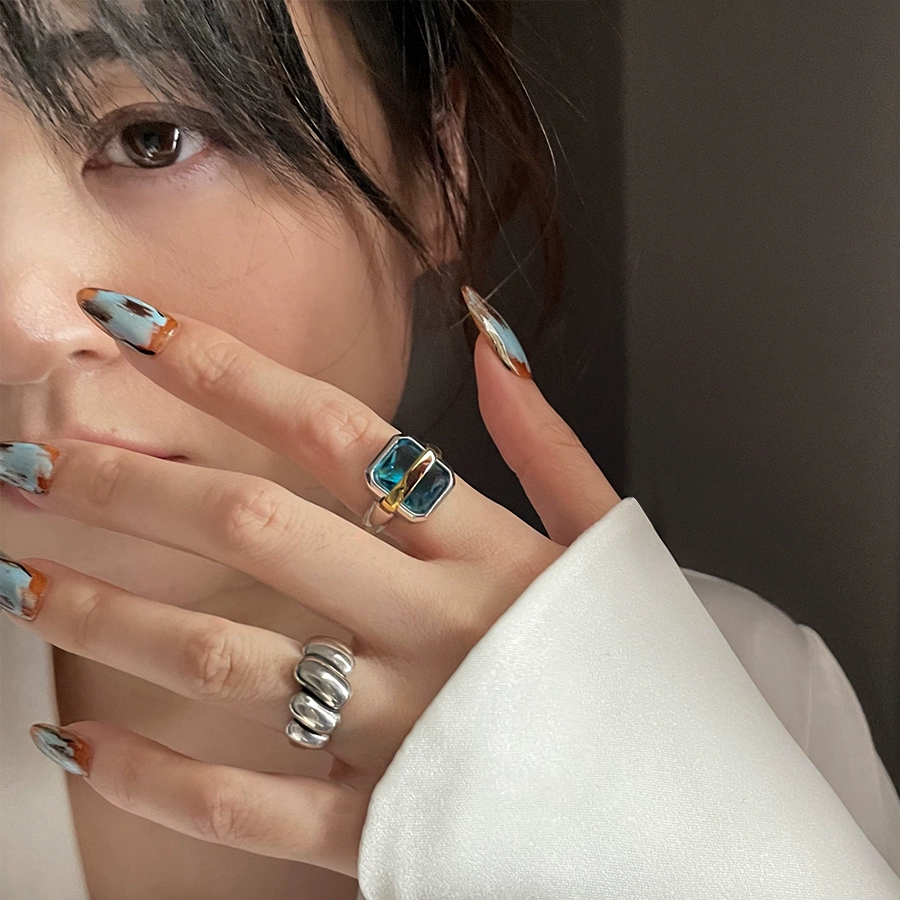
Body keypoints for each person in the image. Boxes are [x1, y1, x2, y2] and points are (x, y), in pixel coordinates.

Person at [0, 2, 897, 899]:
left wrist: (673, 847)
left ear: (437, 165)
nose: (24, 329)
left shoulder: (749, 696)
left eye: (153, 139)